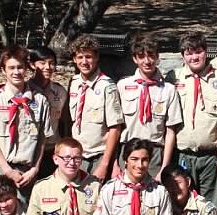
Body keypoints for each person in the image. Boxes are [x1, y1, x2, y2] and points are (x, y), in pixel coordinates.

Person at [165, 31, 217, 215]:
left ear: (206, 52)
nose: (194, 57)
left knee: (212, 208)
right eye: (189, 53)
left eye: (198, 51)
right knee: (180, 203)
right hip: (182, 156)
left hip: (210, 156)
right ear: (182, 55)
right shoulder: (173, 78)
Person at [0, 44, 53, 201]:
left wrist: (35, 169)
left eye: (20, 67)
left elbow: (42, 138)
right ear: (3, 70)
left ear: (26, 68)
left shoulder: (40, 101)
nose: (16, 72)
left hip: (26, 172)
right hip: (0, 168)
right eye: (11, 67)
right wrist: (7, 170)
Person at [117, 33, 182, 179]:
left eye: (151, 55)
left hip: (155, 155)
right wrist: (116, 163)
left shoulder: (168, 89)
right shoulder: (122, 86)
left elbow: (170, 130)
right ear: (135, 59)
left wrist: (164, 167)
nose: (147, 61)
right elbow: (116, 127)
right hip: (128, 152)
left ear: (157, 57)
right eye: (141, 56)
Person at [67, 34, 124, 180]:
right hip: (76, 155)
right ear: (74, 59)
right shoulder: (73, 83)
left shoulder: (107, 86)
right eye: (80, 57)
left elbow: (115, 128)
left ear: (97, 57)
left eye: (88, 57)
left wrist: (105, 164)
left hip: (98, 156)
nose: (84, 62)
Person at [29, 46, 70, 179]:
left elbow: (65, 122)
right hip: (30, 151)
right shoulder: (25, 92)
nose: (47, 67)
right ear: (32, 65)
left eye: (51, 63)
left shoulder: (60, 92)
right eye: (42, 62)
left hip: (52, 150)